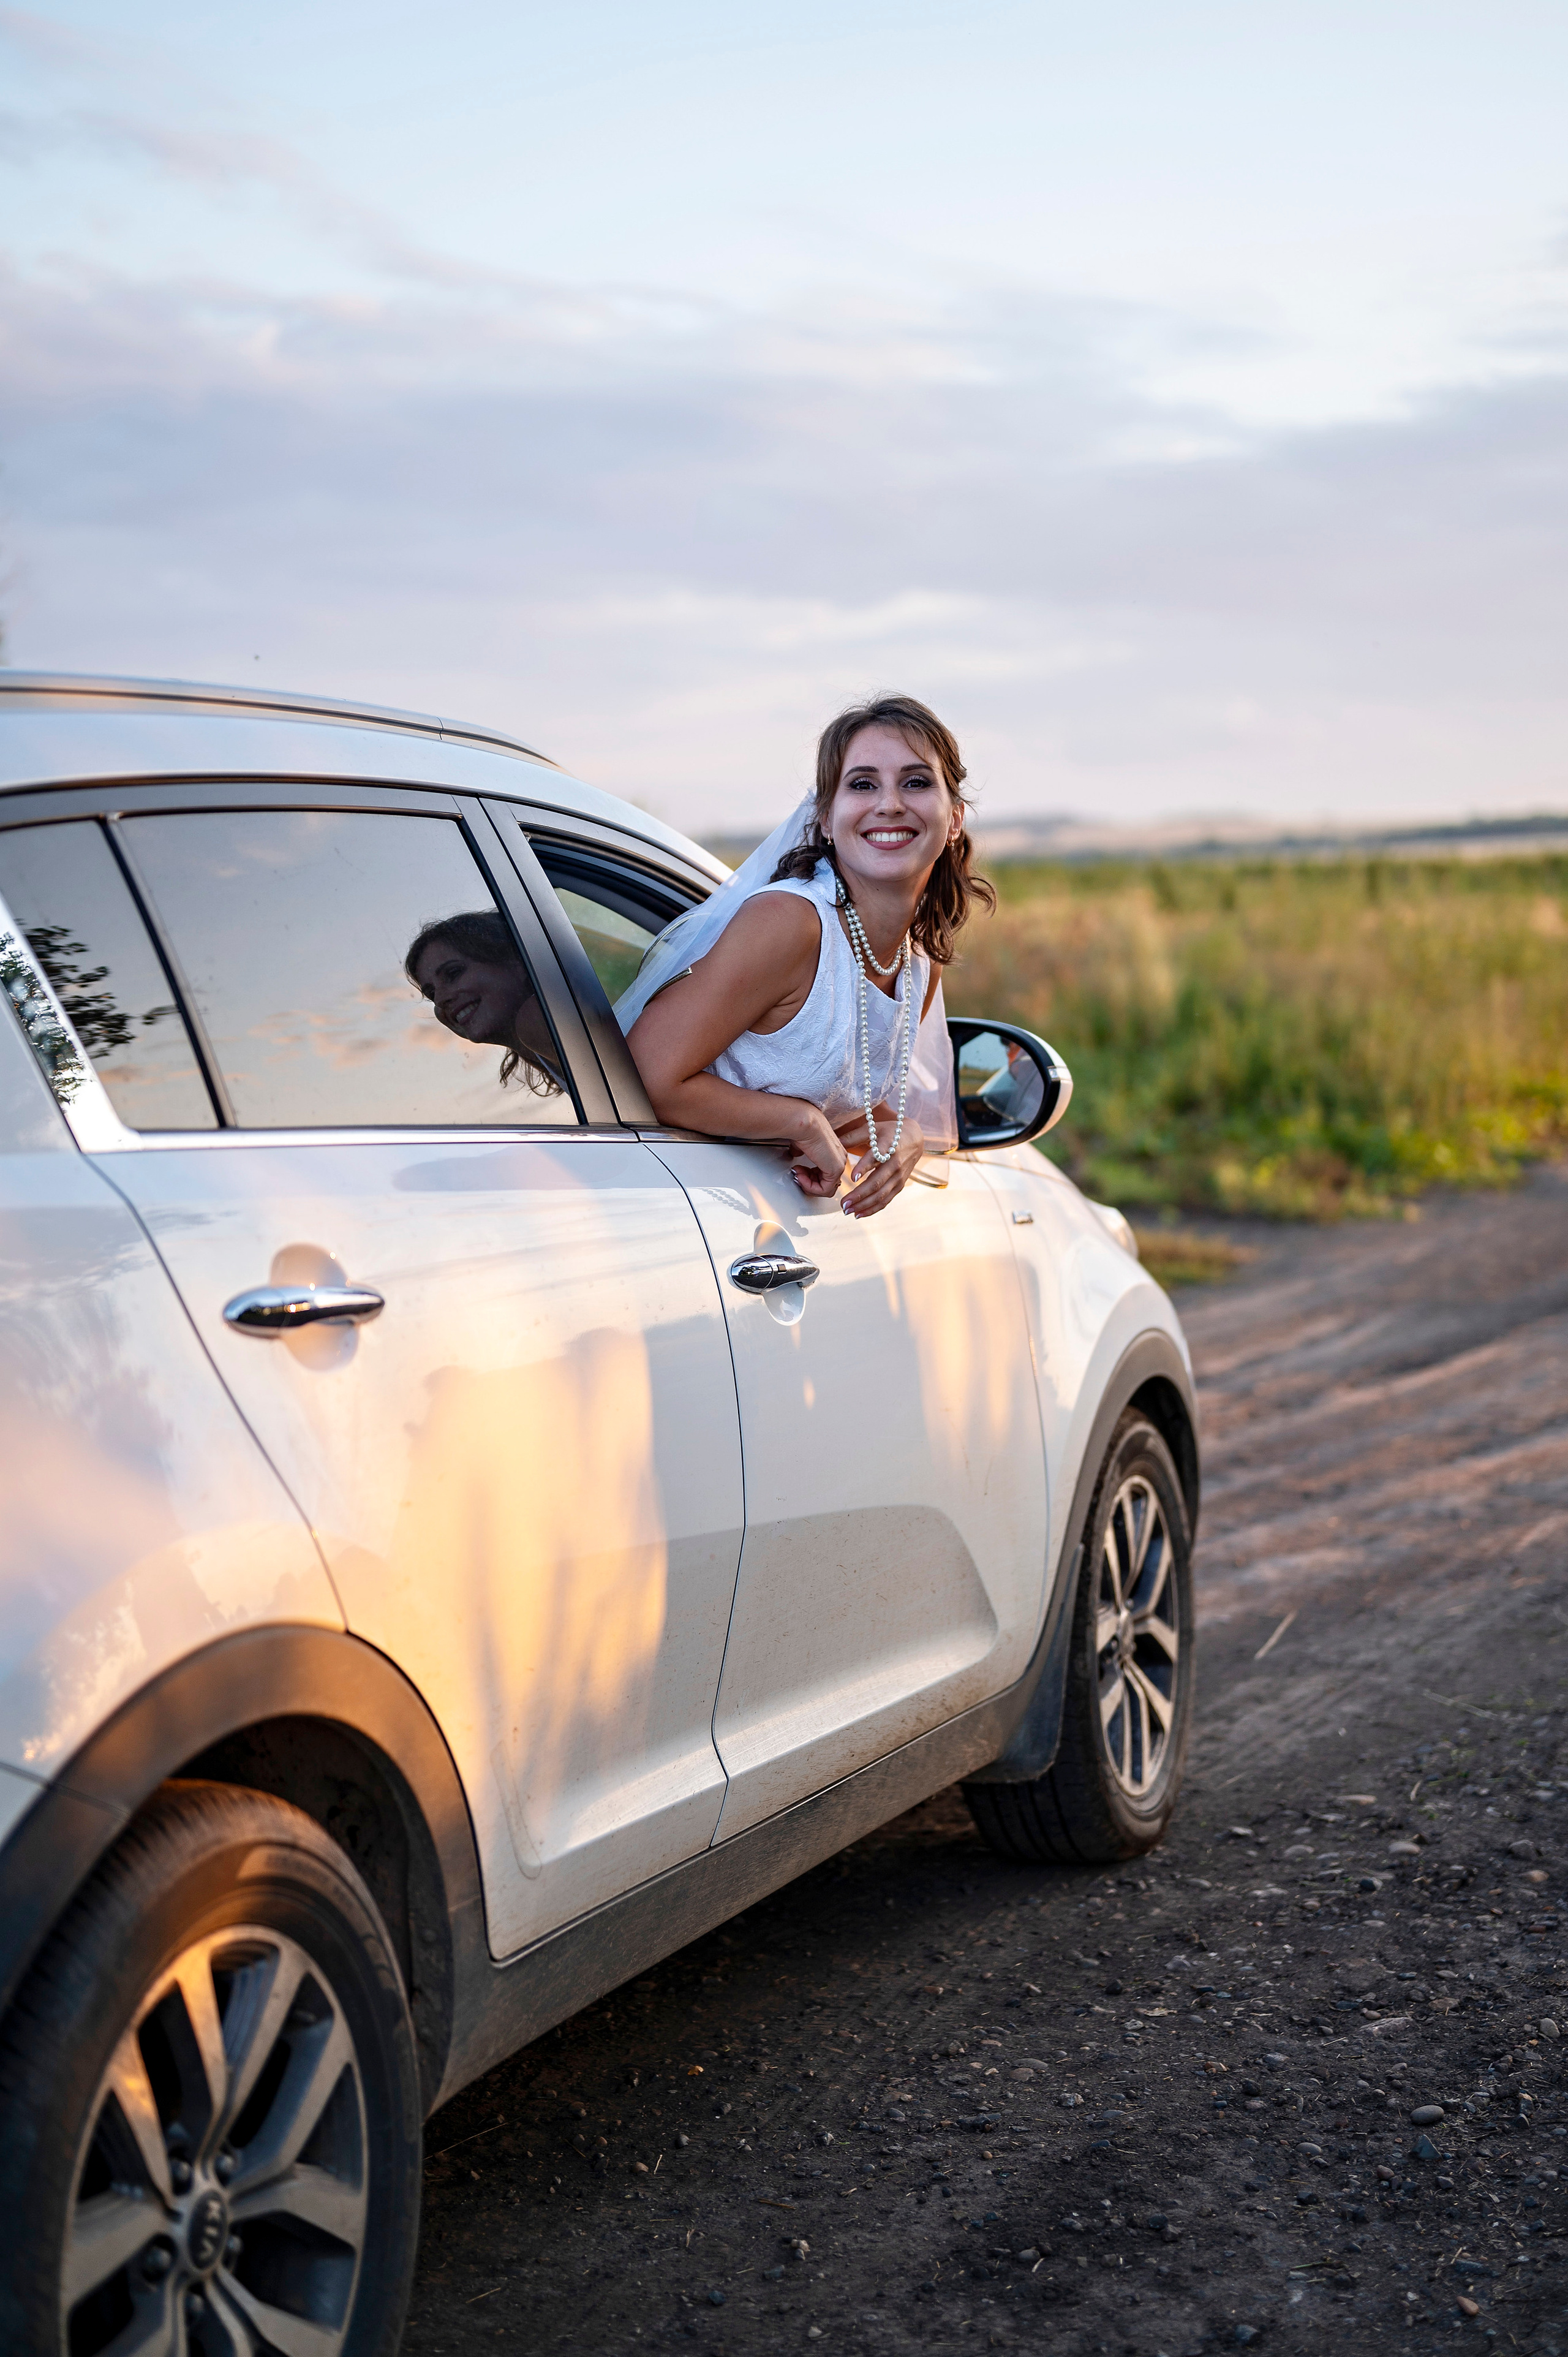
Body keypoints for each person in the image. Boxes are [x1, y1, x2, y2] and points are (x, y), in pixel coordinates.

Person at [619, 694, 994, 1218]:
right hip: (664, 1204)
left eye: (916, 782)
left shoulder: (915, 967)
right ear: (825, 818)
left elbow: (844, 1090)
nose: (890, 803)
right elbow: (642, 1074)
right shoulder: (789, 925)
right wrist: (799, 1122)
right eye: (863, 784)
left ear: (954, 818)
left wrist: (903, 1131)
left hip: (757, 1218)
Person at [405, 910, 567, 1095]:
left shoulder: (537, 1019)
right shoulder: (547, 1045)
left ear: (516, 961)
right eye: (432, 993)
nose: (441, 1000)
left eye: (454, 973)